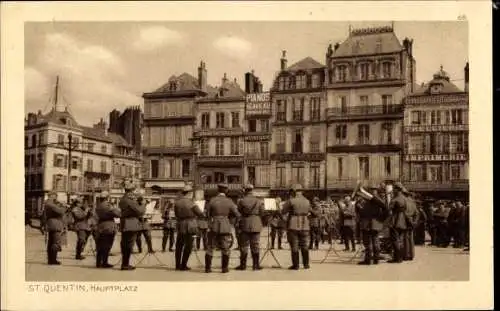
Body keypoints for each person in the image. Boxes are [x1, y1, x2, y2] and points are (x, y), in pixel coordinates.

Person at [204, 184, 241, 273]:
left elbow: (207, 214)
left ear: (218, 190)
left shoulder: (212, 200)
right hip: (225, 225)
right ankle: (224, 268)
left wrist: (210, 222)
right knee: (225, 248)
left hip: (214, 225)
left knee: (210, 247)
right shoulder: (229, 201)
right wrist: (232, 222)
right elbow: (237, 214)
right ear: (226, 191)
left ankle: (208, 268)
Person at [281, 184, 318, 270]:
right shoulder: (307, 201)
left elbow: (283, 211)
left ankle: (296, 265)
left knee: (294, 245)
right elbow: (311, 212)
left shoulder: (291, 200)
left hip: (293, 224)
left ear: (294, 192)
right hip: (305, 225)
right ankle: (306, 264)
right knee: (304, 245)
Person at [235, 184, 265, 271]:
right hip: (256, 223)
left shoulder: (241, 201)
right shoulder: (258, 201)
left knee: (244, 245)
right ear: (252, 190)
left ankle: (243, 265)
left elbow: (239, 212)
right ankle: (255, 266)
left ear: (245, 190)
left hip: (245, 224)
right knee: (255, 245)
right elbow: (262, 213)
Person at [174, 185, 203, 271]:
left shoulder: (177, 202)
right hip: (190, 225)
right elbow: (200, 214)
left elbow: (176, 214)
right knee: (188, 246)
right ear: (189, 193)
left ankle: (177, 265)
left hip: (180, 225)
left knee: (179, 246)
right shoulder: (191, 203)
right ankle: (183, 265)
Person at [118, 181, 146, 270]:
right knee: (129, 245)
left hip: (125, 223)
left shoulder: (123, 199)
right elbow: (140, 211)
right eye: (133, 191)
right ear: (130, 191)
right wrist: (143, 204)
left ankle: (125, 263)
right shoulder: (129, 200)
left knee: (125, 244)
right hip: (131, 223)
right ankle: (125, 264)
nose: (134, 193)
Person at [356, 187, 387, 265]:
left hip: (368, 224)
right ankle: (376, 259)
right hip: (376, 224)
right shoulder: (380, 203)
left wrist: (359, 207)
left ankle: (368, 260)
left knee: (367, 242)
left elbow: (364, 213)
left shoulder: (369, 203)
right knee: (375, 241)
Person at [95, 191, 121, 268]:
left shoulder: (98, 206)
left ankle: (98, 262)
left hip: (100, 226)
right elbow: (117, 214)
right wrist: (115, 208)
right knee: (107, 245)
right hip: (108, 226)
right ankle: (104, 263)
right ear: (107, 198)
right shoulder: (108, 206)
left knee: (100, 245)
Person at [43, 191, 67, 265]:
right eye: (55, 195)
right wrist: (63, 206)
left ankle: (51, 260)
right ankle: (53, 260)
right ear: (51, 195)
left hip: (52, 224)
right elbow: (60, 211)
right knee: (55, 242)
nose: (56, 197)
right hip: (55, 224)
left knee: (51, 242)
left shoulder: (48, 203)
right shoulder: (50, 203)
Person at [387, 182, 408, 263]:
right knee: (401, 240)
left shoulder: (395, 199)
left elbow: (389, 209)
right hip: (403, 221)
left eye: (394, 189)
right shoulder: (404, 198)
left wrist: (390, 198)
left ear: (396, 189)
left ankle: (397, 258)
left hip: (395, 221)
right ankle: (401, 257)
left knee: (395, 240)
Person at [402, 191, 419, 261]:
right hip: (412, 221)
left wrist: (409, 220)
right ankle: (412, 255)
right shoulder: (413, 202)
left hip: (406, 221)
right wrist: (414, 221)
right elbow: (417, 213)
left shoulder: (405, 201)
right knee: (411, 239)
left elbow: (405, 213)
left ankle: (406, 255)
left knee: (405, 239)